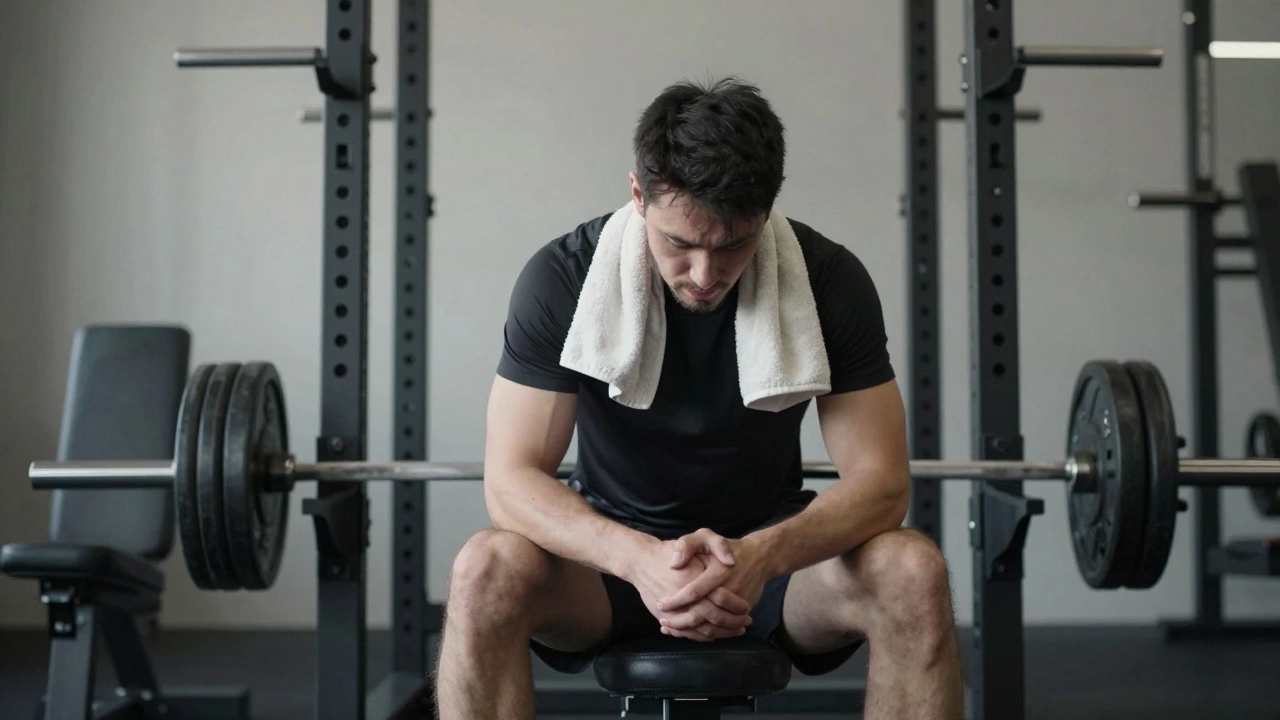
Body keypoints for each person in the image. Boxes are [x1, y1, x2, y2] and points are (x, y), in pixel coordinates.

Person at [434, 76, 964, 720]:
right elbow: (511, 480)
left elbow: (882, 483)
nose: (705, 275)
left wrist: (759, 558)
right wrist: (639, 560)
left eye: (733, 245)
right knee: (483, 568)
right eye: (679, 244)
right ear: (638, 192)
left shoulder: (830, 280)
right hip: (609, 570)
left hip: (774, 566)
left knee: (913, 571)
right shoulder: (562, 279)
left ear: (767, 210)